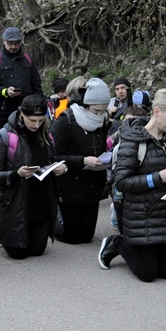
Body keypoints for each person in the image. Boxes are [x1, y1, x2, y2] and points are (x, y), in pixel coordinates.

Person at [99, 89, 166, 281]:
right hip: (140, 216)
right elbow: (121, 181)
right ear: (157, 111)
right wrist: (156, 177)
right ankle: (118, 243)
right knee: (147, 274)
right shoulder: (134, 139)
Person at [0, 95, 67, 259]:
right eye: (32, 120)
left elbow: (53, 160)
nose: (36, 125)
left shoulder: (47, 132)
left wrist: (61, 167)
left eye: (40, 120)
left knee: (38, 250)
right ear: (21, 114)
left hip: (40, 199)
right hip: (15, 200)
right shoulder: (5, 135)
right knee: (18, 253)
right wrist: (16, 174)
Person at [50, 77, 111, 244]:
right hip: (70, 184)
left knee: (86, 237)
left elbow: (102, 148)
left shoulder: (102, 120)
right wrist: (83, 160)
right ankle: (47, 221)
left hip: (92, 184)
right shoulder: (65, 120)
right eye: (96, 110)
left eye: (103, 111)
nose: (99, 115)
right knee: (72, 237)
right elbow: (54, 156)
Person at [0, 27, 43, 129]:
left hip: (28, 111)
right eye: (10, 43)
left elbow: (36, 85)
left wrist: (40, 104)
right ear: (4, 41)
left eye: (16, 43)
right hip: (5, 113)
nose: (13, 46)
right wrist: (5, 92)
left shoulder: (28, 60)